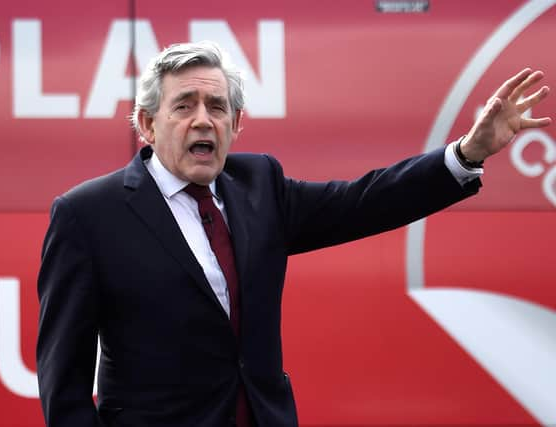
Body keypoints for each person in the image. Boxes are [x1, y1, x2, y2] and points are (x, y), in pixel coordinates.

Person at [36, 41, 551, 427]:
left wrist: (466, 154)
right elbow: (64, 382)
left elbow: (365, 202)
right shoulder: (88, 215)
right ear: (146, 125)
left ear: (237, 123)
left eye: (217, 108)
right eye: (184, 106)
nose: (203, 121)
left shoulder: (259, 183)